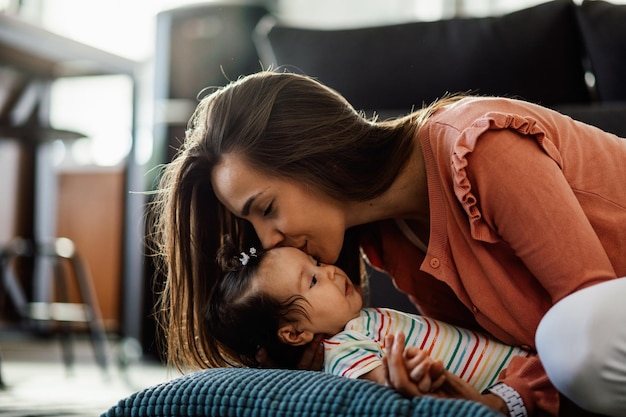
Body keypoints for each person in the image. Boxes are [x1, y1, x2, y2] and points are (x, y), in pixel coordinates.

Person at [152, 70, 626, 417]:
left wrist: (508, 402)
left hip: (605, 322)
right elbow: (502, 350)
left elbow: (589, 311)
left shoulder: (477, 146)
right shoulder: (391, 242)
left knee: (576, 336)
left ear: (318, 158)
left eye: (267, 207)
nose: (269, 239)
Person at [209, 241, 533, 395]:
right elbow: (383, 387)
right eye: (312, 281)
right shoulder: (342, 351)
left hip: (521, 363)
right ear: (294, 334)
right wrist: (409, 379)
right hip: (507, 388)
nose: (331, 272)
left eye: (317, 262)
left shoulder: (358, 322)